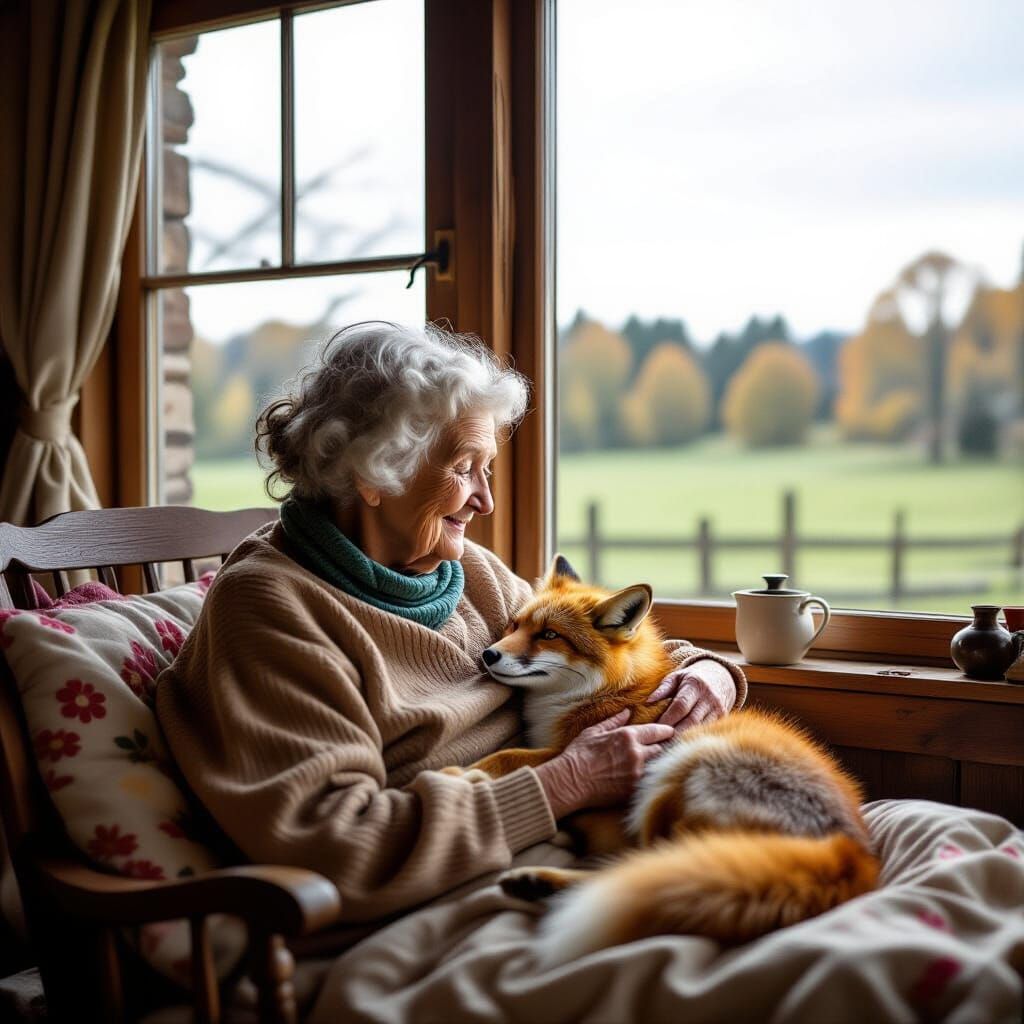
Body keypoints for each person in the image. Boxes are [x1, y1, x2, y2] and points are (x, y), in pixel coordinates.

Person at [156, 321, 746, 928]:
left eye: (487, 469)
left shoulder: (467, 573)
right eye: (467, 468)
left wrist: (709, 675)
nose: (485, 500)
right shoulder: (271, 608)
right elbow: (337, 845)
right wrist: (566, 783)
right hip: (428, 904)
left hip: (563, 850)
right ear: (373, 473)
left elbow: (604, 647)